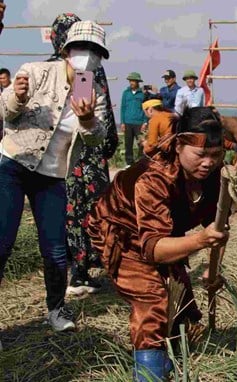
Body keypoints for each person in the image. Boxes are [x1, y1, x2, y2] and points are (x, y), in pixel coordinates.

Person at [87, 107, 228, 381]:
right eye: (200, 155)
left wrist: (214, 267)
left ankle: (172, 361)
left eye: (215, 155)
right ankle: (149, 375)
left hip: (164, 232)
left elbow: (219, 225)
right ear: (178, 145)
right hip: (121, 232)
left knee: (181, 306)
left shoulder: (213, 175)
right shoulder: (153, 178)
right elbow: (152, 249)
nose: (208, 163)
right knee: (153, 301)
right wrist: (199, 240)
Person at [0, 20, 109, 331]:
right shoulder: (36, 71)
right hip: (13, 166)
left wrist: (87, 119)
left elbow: (95, 138)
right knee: (2, 243)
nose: (86, 55)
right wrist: (17, 97)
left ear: (100, 57)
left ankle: (57, 310)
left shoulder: (92, 89)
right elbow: (5, 112)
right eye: (80, 48)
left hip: (53, 177)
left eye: (94, 51)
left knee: (56, 250)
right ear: (65, 50)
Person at [44, 13, 119, 296]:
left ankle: (72, 272)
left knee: (66, 212)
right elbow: (90, 117)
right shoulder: (86, 70)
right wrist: (107, 147)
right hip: (85, 157)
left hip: (58, 157)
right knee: (85, 211)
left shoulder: (52, 65)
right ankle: (80, 273)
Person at [121, 72, 148, 166]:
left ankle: (140, 162)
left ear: (138, 82)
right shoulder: (126, 93)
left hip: (139, 123)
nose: (131, 82)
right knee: (128, 144)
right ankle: (129, 163)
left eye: (133, 81)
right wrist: (122, 122)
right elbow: (123, 108)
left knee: (141, 143)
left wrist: (145, 122)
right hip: (127, 122)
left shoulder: (142, 94)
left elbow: (145, 109)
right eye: (130, 81)